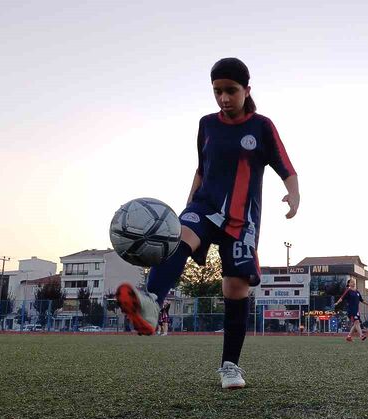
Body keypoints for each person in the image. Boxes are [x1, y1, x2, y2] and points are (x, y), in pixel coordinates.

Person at [115, 57, 299, 390]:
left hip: (242, 221)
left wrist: (293, 195)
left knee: (235, 288)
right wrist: (188, 205)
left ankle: (230, 367)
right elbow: (201, 169)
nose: (224, 98)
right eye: (218, 91)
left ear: (246, 90)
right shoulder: (206, 124)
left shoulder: (262, 126)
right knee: (178, 237)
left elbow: (285, 166)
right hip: (204, 206)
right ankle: (152, 303)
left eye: (231, 90)